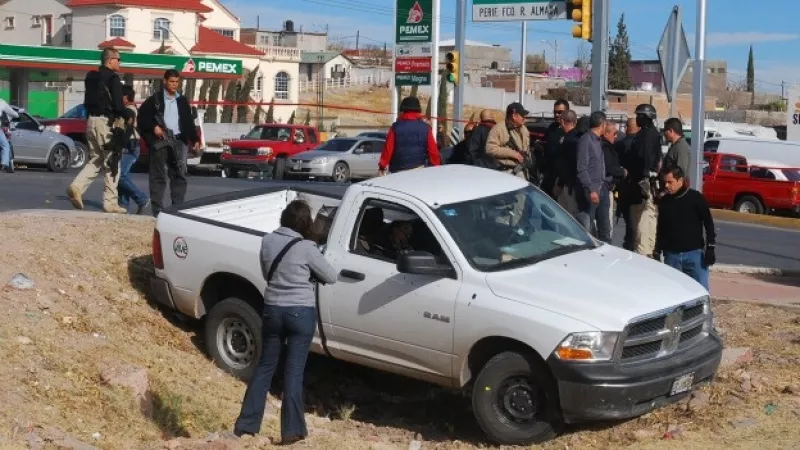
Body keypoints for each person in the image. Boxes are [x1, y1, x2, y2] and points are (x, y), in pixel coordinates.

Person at [234, 200, 338, 443]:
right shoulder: (308, 247)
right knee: (293, 372)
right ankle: (292, 431)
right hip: (300, 313)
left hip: (272, 310)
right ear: (305, 223)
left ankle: (246, 425)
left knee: (264, 368)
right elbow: (330, 276)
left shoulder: (268, 241)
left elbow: (266, 272)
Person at [66, 48, 131, 214]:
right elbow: (118, 105)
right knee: (112, 161)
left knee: (95, 159)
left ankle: (77, 187)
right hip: (106, 124)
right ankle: (110, 202)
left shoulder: (91, 77)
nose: (120, 62)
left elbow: (88, 101)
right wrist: (128, 113)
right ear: (110, 60)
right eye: (119, 59)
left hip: (91, 121)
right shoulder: (114, 78)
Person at [137, 69, 200, 217]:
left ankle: (177, 209)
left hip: (179, 141)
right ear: (165, 81)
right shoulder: (155, 100)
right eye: (172, 81)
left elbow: (188, 122)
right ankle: (157, 211)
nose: (174, 84)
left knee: (179, 175)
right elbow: (142, 118)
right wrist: (154, 128)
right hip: (160, 141)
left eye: (177, 82)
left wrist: (195, 139)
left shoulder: (182, 100)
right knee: (158, 176)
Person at [655, 166, 716, 290]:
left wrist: (710, 248)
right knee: (673, 293)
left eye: (670, 182)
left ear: (680, 180)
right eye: (665, 182)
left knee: (701, 291)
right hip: (672, 256)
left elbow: (708, 223)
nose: (666, 185)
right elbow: (661, 228)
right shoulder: (664, 202)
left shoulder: (695, 198)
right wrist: (657, 249)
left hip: (694, 255)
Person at [628, 103, 663, 258]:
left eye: (639, 116)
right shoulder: (652, 134)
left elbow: (646, 160)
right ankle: (646, 248)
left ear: (646, 117)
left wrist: (642, 180)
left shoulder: (647, 136)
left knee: (642, 218)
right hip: (646, 181)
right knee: (647, 217)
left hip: (643, 182)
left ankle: (643, 251)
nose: (637, 119)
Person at [378, 96, 440, 175]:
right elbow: (433, 150)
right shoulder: (425, 128)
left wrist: (382, 165)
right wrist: (436, 166)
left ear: (403, 110)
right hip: (419, 169)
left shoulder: (395, 127)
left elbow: (388, 149)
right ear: (418, 110)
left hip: (398, 170)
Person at [575, 111, 610, 242]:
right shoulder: (586, 140)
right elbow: (582, 168)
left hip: (602, 188)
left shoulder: (598, 140)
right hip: (591, 192)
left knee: (605, 229)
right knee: (588, 228)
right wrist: (590, 189)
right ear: (602, 124)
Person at [117, 86, 149, 214]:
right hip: (129, 146)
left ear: (125, 97)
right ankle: (123, 205)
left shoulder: (130, 110)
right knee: (123, 176)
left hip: (130, 147)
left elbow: (129, 129)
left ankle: (141, 198)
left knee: (120, 176)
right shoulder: (129, 109)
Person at [485, 102, 531, 179]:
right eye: (522, 116)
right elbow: (490, 149)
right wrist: (512, 153)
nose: (524, 118)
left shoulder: (524, 129)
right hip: (506, 173)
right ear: (514, 116)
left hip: (523, 170)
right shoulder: (499, 129)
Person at [617, 117, 640, 251]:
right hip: (635, 189)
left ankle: (629, 245)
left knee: (629, 223)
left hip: (623, 188)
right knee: (635, 225)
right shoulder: (639, 143)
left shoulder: (621, 144)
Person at [539, 99, 570, 198]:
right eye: (555, 112)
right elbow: (546, 143)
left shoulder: (571, 131)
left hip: (561, 181)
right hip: (548, 176)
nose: (557, 115)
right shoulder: (552, 128)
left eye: (560, 112)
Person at [601, 121, 626, 241]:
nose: (616, 136)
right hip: (604, 188)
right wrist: (622, 172)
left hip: (608, 187)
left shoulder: (608, 147)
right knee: (605, 226)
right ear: (606, 133)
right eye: (614, 133)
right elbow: (609, 167)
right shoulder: (605, 148)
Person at [553, 110, 580, 216]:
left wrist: (559, 185)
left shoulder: (568, 141)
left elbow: (566, 166)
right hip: (577, 185)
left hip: (567, 186)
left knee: (566, 216)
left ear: (563, 122)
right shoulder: (580, 137)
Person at [0, 98, 19, 173]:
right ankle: (4, 164)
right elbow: (13, 113)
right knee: (5, 146)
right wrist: (17, 114)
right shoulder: (1, 102)